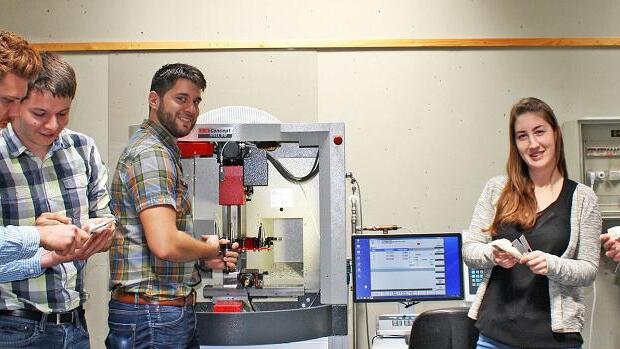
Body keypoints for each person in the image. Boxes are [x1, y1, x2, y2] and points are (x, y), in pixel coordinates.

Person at [106, 63, 239, 348]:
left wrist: (202, 258)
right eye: (181, 98)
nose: (191, 108)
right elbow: (165, 243)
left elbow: (158, 246)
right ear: (154, 99)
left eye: (196, 101)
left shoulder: (162, 150)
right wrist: (211, 248)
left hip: (162, 313)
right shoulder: (152, 153)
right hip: (154, 316)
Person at [463, 97, 601, 349]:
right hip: (496, 337)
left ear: (555, 134)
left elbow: (589, 270)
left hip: (556, 339)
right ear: (515, 143)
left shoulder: (583, 198)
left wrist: (551, 264)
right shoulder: (497, 189)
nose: (533, 144)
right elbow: (470, 250)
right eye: (522, 136)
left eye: (539, 132)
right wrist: (492, 253)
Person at [0, 52, 116, 349]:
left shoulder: (82, 148)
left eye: (63, 113)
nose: (52, 125)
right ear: (16, 104)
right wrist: (38, 236)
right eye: (39, 114)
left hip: (74, 323)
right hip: (12, 327)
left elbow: (105, 216)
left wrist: (96, 233)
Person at [0, 30, 91, 282]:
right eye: (7, 100)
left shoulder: (82, 147)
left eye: (19, 101)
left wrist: (46, 259)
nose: (15, 112)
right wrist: (37, 236)